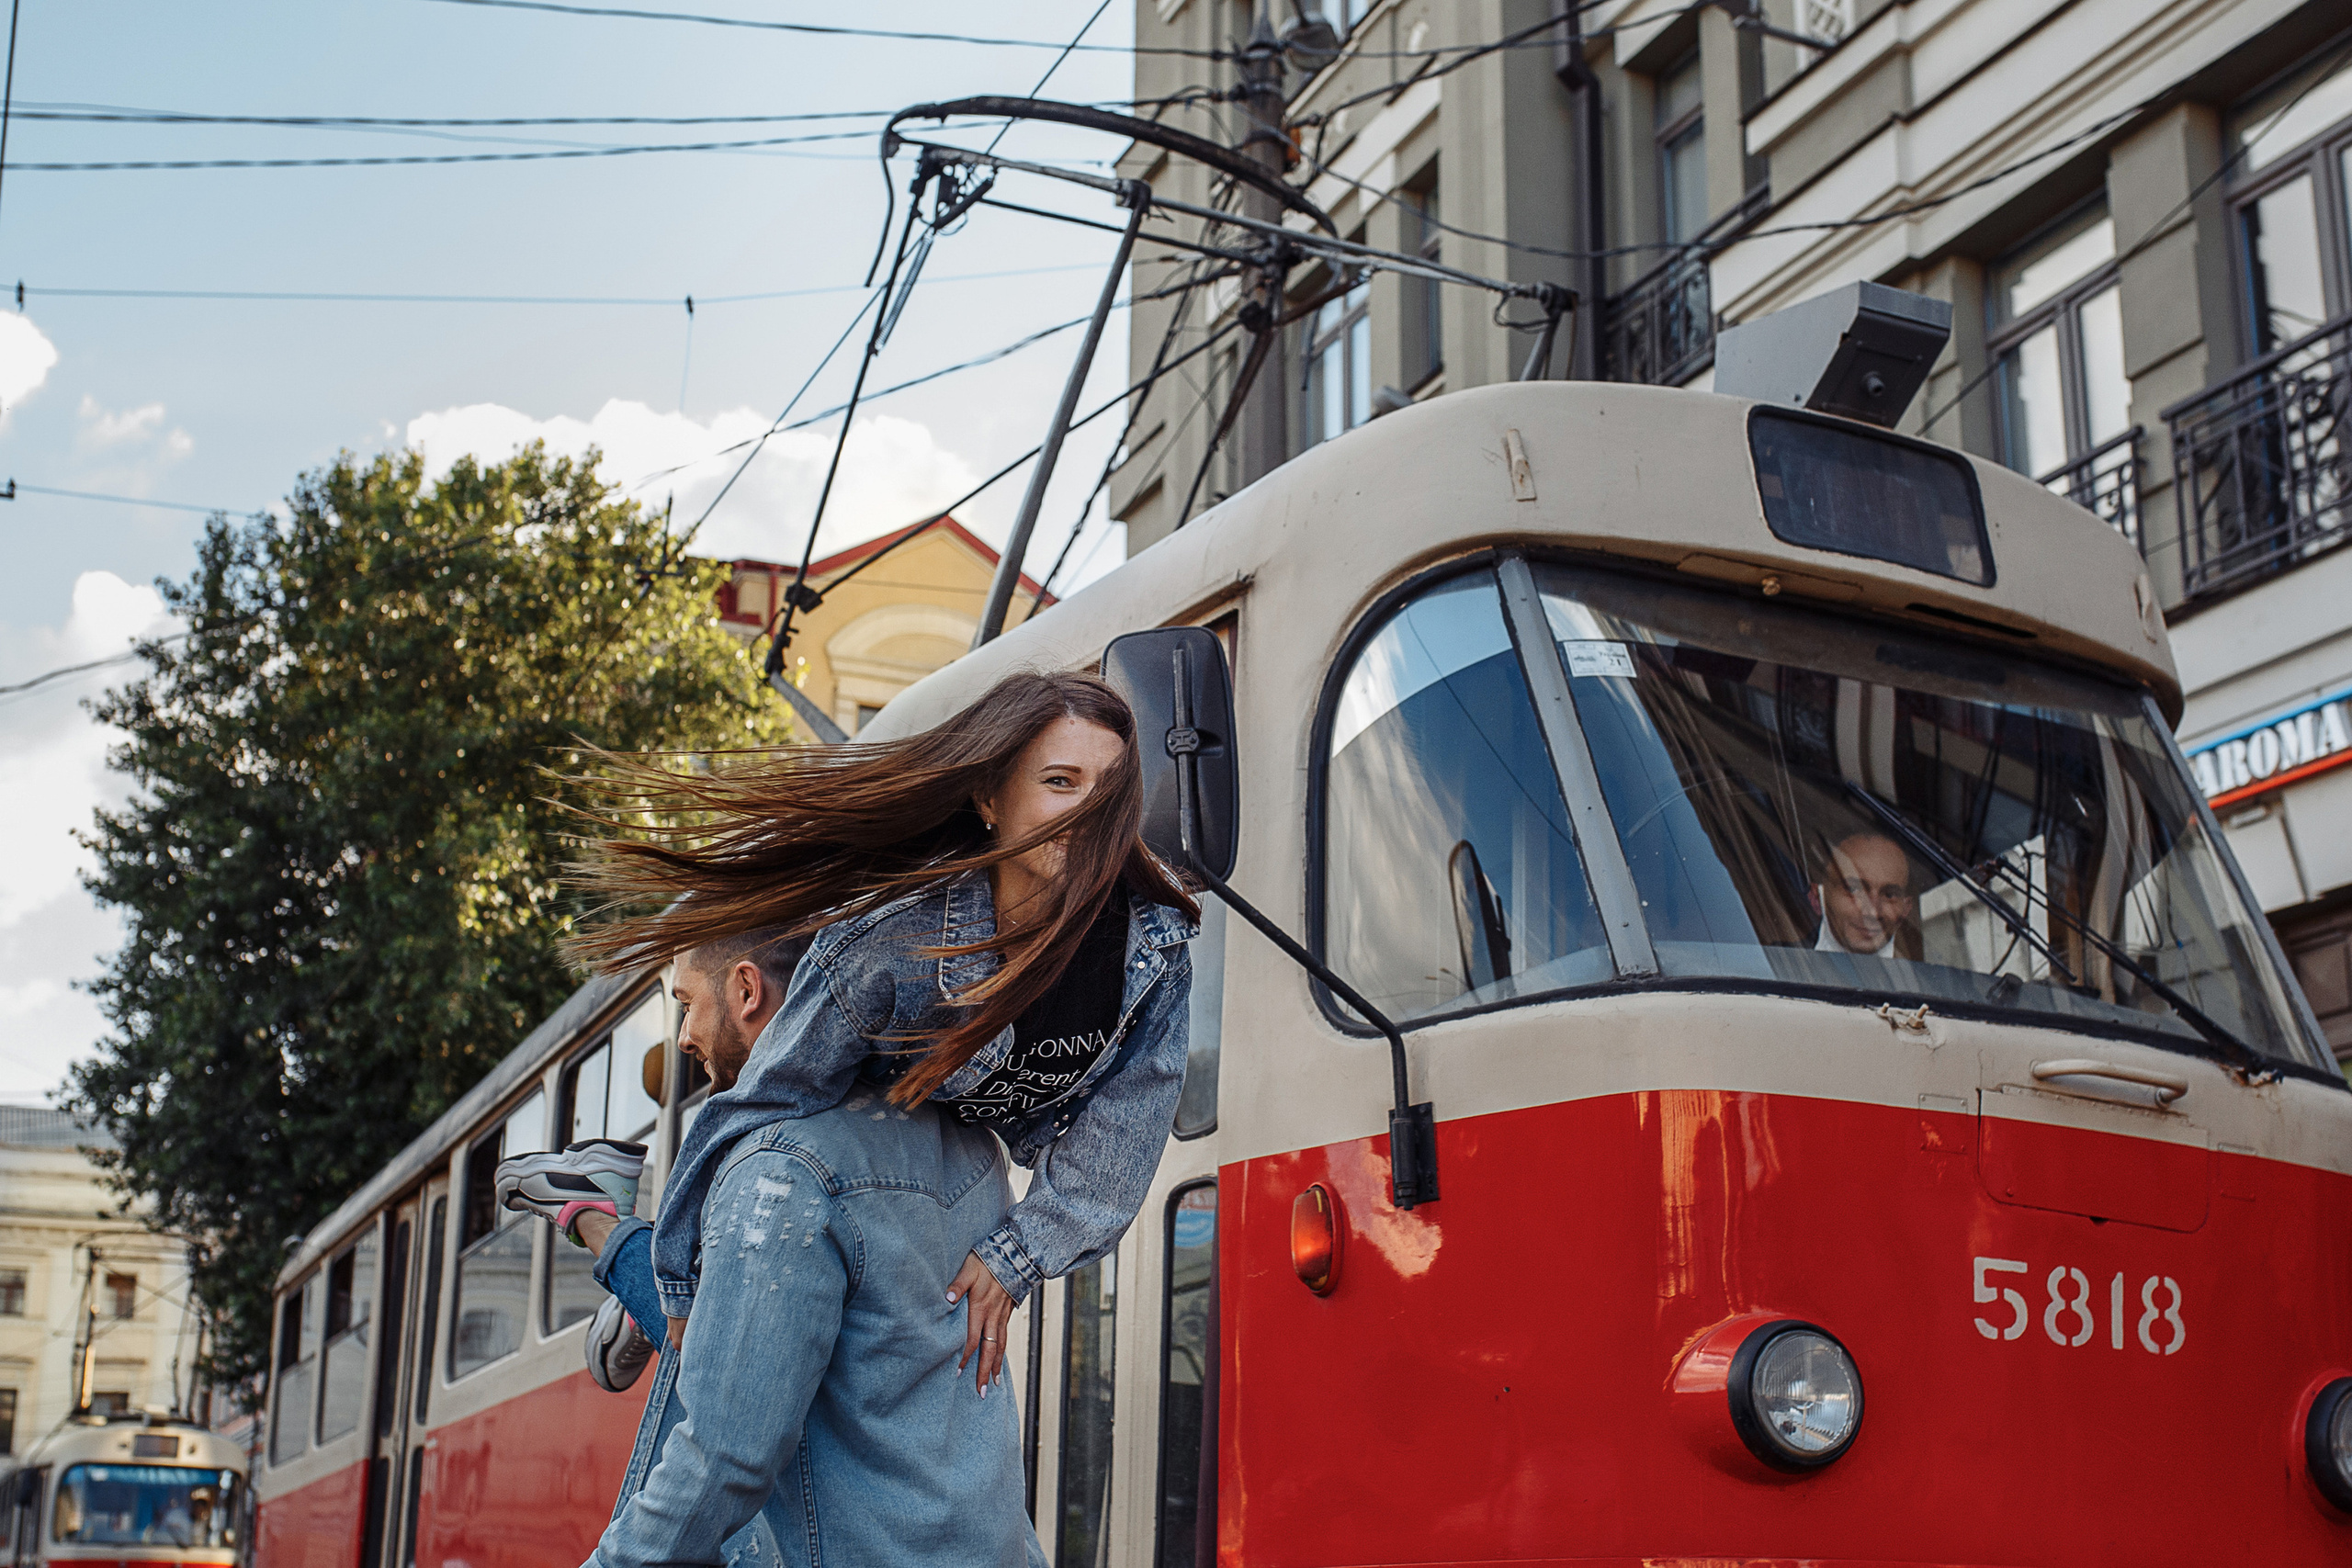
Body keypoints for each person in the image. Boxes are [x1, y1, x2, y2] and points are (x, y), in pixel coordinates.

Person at [497, 670, 1197, 1568]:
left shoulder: (1148, 947)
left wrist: (1022, 1253)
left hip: (874, 1167)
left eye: (1106, 792)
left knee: (757, 1232)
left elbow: (1128, 1126)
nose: (1082, 815)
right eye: (1059, 782)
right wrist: (677, 1279)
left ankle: (613, 1228)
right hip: (853, 1153)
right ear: (989, 796)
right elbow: (760, 1104)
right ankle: (637, 1246)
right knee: (753, 1211)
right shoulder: (893, 970)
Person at [1809, 831, 1919, 958]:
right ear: (1819, 895)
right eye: (1853, 889)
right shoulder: (1787, 961)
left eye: (1889, 895)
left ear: (1906, 908)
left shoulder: (1927, 975)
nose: (1872, 912)